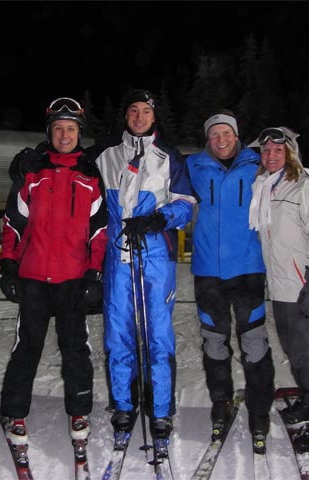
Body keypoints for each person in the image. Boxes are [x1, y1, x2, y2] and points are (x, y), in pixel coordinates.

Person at [0, 97, 108, 448]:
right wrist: (9, 265)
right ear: (49, 132)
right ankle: (15, 413)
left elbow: (98, 232)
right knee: (26, 348)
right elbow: (14, 222)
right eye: (58, 128)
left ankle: (79, 412)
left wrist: (94, 276)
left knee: (76, 349)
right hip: (33, 278)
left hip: (73, 280)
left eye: (71, 129)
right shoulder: (31, 170)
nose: (64, 134)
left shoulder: (90, 175)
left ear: (79, 133)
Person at [90, 89, 195, 443]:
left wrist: (157, 220)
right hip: (118, 258)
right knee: (118, 333)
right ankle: (123, 403)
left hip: (154, 258)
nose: (139, 116)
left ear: (154, 116)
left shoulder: (169, 157)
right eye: (133, 110)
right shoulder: (105, 155)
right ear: (125, 116)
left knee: (157, 334)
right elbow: (68, 163)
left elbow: (185, 204)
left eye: (145, 111)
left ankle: (160, 409)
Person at [248, 126, 309, 456]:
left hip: (302, 286)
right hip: (279, 287)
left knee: (307, 357)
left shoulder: (303, 186)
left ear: (290, 153)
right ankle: (308, 401)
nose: (271, 155)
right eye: (266, 151)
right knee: (296, 354)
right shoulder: (264, 187)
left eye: (278, 150)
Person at [186, 111, 275, 454]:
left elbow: (292, 172)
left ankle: (259, 409)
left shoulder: (258, 163)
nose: (220, 140)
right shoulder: (193, 166)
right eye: (214, 135)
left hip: (249, 270)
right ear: (207, 139)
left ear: (237, 136)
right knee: (214, 344)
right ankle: (220, 402)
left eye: (226, 134)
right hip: (208, 272)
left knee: (254, 344)